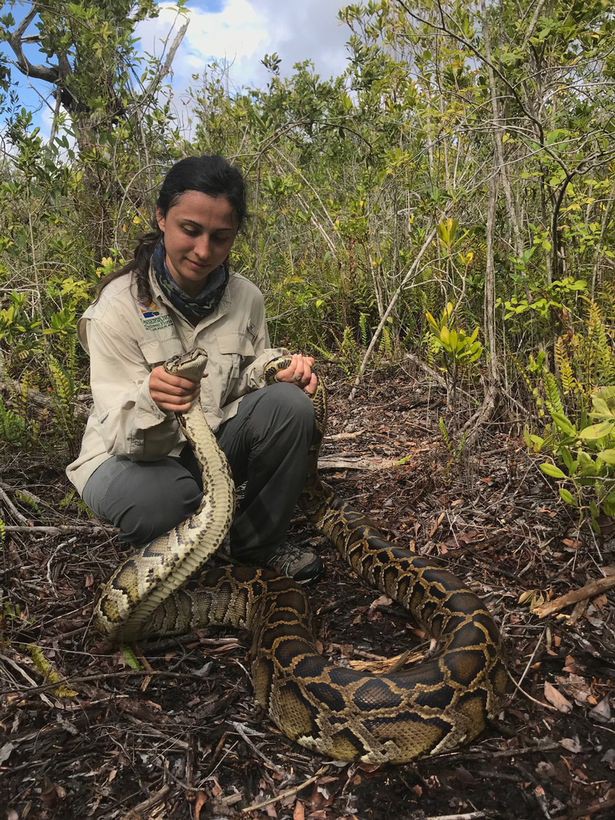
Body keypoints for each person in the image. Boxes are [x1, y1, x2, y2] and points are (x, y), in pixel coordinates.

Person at [66, 155, 324, 585]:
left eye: (221, 238)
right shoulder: (116, 307)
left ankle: (255, 544)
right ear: (162, 217)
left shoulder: (246, 298)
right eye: (191, 230)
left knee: (291, 406)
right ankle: (199, 531)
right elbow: (118, 432)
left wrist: (275, 372)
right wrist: (152, 397)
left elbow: (241, 376)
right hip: (124, 457)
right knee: (166, 503)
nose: (204, 251)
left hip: (207, 440)